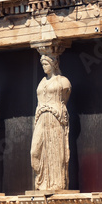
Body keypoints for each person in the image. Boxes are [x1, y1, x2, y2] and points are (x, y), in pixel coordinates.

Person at [30, 49, 71, 191]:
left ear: (54, 64)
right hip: (41, 118)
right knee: (35, 152)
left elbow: (64, 100)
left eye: (46, 63)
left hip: (55, 118)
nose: (44, 66)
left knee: (56, 151)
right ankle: (42, 181)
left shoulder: (63, 81)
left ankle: (56, 183)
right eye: (42, 63)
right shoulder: (41, 82)